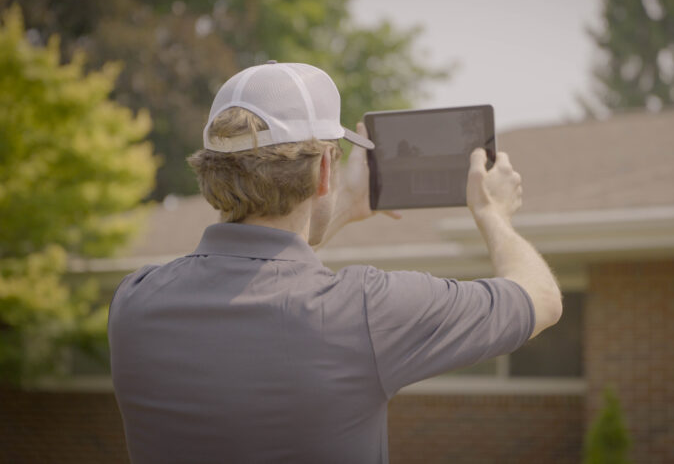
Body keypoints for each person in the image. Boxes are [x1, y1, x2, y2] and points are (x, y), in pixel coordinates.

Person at [108, 62, 562, 463]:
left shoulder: (134, 303)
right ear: (326, 168)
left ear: (209, 167)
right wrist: (493, 214)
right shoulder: (367, 311)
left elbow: (259, 273)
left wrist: (343, 206)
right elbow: (540, 298)